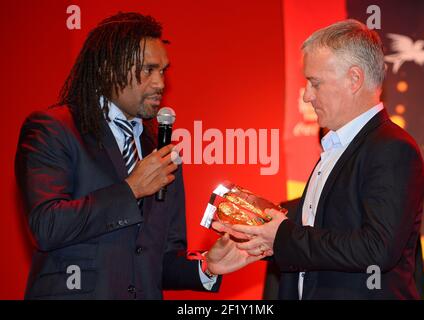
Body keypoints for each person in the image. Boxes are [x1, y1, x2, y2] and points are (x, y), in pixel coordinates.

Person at [15, 12, 263, 300]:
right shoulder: (55, 129)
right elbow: (47, 226)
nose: (160, 83)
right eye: (148, 70)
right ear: (108, 69)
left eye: (163, 71)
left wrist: (208, 266)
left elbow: (159, 258)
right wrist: (131, 190)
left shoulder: (159, 149)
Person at [215, 19, 424, 299]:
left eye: (315, 83)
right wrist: (258, 241)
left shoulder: (391, 148)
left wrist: (283, 237)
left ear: (354, 79)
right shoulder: (337, 147)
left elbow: (377, 249)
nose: (306, 95)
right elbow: (324, 239)